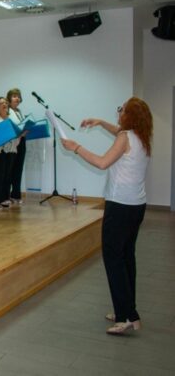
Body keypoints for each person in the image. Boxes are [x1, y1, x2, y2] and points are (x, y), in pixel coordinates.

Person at [61, 98, 152, 335]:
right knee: (126, 257)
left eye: (121, 109)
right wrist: (101, 122)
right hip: (136, 205)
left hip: (120, 206)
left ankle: (126, 316)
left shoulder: (125, 137)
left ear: (129, 115)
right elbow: (119, 132)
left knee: (113, 258)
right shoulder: (140, 136)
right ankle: (128, 310)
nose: (119, 112)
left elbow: (102, 163)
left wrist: (76, 148)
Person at [0, 97, 17, 210]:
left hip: (11, 149)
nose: (4, 104)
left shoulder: (9, 118)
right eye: (1, 103)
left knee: (7, 175)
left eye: (6, 102)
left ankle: (4, 198)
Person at [7, 88, 26, 204]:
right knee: (10, 169)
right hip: (12, 143)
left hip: (21, 141)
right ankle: (6, 195)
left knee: (18, 169)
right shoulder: (7, 111)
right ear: (9, 98)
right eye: (14, 96)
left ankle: (16, 195)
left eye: (18, 96)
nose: (17, 98)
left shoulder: (19, 111)